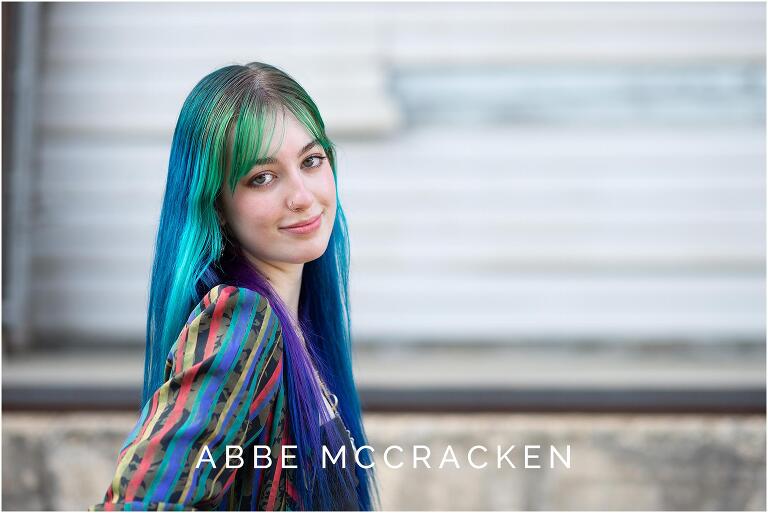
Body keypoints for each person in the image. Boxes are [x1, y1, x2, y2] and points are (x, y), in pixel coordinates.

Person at [89, 62, 379, 511]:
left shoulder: (298, 328)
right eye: (262, 177)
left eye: (311, 161)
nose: (302, 196)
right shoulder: (242, 320)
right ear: (217, 206)